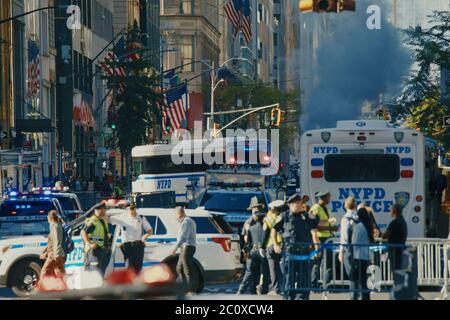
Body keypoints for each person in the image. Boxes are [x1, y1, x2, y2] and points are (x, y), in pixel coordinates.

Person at [274, 194, 319, 300]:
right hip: (290, 252)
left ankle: (301, 298)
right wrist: (275, 244)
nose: (298, 205)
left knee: (304, 279)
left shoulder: (307, 216)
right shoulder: (284, 216)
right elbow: (274, 229)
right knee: (289, 278)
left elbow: (314, 232)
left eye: (300, 203)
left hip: (304, 252)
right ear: (290, 205)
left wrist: (317, 248)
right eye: (296, 204)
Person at [109, 203, 153, 273]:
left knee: (138, 267)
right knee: (129, 267)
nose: (133, 210)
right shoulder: (121, 217)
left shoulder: (141, 218)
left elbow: (150, 231)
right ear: (126, 210)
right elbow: (108, 219)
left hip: (138, 245)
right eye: (131, 209)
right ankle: (129, 283)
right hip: (127, 246)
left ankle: (137, 283)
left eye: (134, 208)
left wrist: (144, 237)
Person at [237, 209, 270, 295]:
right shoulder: (266, 227)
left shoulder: (251, 228)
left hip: (253, 250)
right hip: (263, 251)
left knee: (250, 271)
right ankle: (263, 289)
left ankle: (242, 289)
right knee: (264, 270)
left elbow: (247, 240)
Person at [310, 191, 338, 291]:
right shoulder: (315, 208)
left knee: (329, 264)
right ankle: (313, 286)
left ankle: (326, 286)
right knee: (316, 264)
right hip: (319, 239)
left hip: (327, 239)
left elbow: (324, 226)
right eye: (328, 197)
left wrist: (332, 229)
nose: (330, 198)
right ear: (322, 198)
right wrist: (328, 222)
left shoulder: (325, 208)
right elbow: (313, 225)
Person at [348, 207, 375, 300]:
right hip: (365, 256)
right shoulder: (367, 225)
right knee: (363, 280)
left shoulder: (359, 226)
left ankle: (354, 297)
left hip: (358, 256)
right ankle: (365, 297)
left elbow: (354, 242)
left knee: (354, 279)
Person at [262, 200, 286, 296]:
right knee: (284, 267)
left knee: (273, 268)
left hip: (271, 245)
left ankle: (276, 289)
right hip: (283, 244)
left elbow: (265, 234)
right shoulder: (283, 217)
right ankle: (284, 287)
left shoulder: (268, 218)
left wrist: (261, 247)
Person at [81, 203, 112, 277]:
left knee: (100, 273)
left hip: (103, 250)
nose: (105, 212)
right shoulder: (93, 221)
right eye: (104, 210)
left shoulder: (102, 220)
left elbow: (105, 233)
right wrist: (89, 244)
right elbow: (83, 232)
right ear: (100, 210)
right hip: (94, 251)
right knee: (93, 273)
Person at [172, 207, 197, 294]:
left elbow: (183, 237)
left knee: (187, 269)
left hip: (187, 247)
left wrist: (175, 248)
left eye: (176, 215)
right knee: (179, 268)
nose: (176, 217)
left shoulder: (186, 222)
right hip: (186, 247)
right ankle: (184, 288)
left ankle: (191, 290)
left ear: (179, 213)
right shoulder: (189, 221)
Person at [338, 197, 359, 291]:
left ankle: (353, 294)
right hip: (359, 249)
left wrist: (341, 251)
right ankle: (359, 292)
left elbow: (344, 237)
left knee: (351, 273)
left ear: (345, 206)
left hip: (349, 249)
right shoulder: (359, 217)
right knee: (358, 272)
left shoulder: (345, 219)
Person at [382, 203, 408, 271]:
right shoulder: (402, 221)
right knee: (398, 270)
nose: (390, 212)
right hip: (400, 249)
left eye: (391, 210)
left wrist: (379, 234)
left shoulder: (395, 222)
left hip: (394, 250)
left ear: (394, 210)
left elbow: (385, 236)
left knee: (395, 270)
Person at [40, 211, 66, 278]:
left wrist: (56, 254)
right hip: (56, 252)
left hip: (54, 253)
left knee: (44, 271)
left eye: (47, 216)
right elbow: (52, 241)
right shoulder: (56, 225)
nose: (47, 218)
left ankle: (42, 287)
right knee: (59, 271)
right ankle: (64, 284)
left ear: (50, 217)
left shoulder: (55, 226)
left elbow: (57, 241)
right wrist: (45, 250)